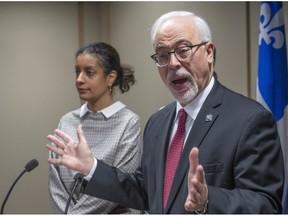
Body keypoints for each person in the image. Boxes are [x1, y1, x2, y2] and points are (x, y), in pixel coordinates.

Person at [46, 11, 284, 213]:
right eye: (162, 55)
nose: (172, 63)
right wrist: (92, 169)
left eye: (183, 50)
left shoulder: (249, 119)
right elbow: (144, 190)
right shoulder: (158, 122)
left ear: (209, 52)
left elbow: (265, 204)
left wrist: (208, 200)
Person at [47, 42, 142, 214]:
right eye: (77, 71)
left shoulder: (128, 122)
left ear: (110, 78)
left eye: (89, 72)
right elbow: (56, 183)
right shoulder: (67, 121)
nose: (79, 79)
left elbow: (118, 186)